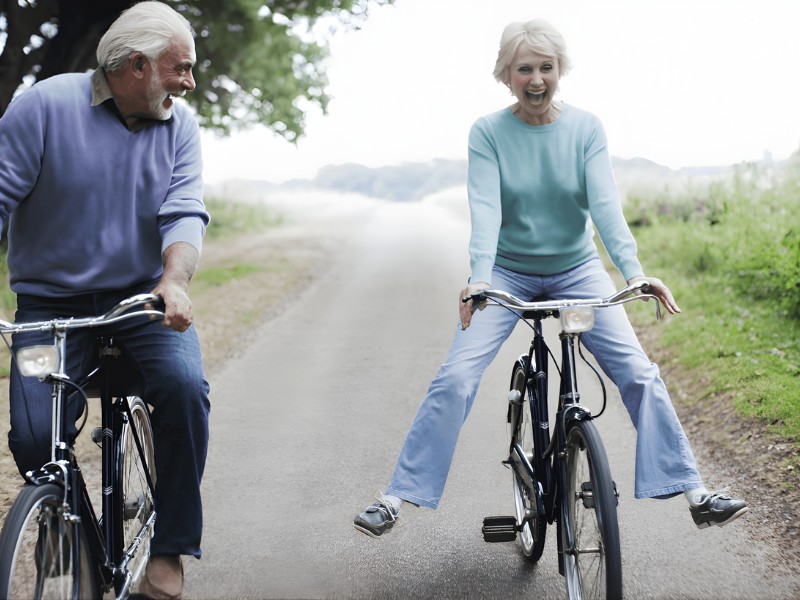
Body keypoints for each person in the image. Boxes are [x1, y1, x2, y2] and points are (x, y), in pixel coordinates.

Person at [354, 18, 748, 538]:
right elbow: (486, 210)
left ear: (560, 70)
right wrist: (479, 279)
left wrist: (634, 274)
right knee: (456, 378)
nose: (537, 79)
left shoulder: (585, 128)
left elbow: (605, 208)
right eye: (525, 69)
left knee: (638, 372)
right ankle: (396, 497)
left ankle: (695, 493)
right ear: (506, 75)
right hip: (506, 274)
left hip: (577, 270)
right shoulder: (488, 132)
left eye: (546, 67)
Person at [0, 2, 209, 597]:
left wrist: (174, 281)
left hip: (141, 302)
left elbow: (184, 212)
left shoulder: (180, 126)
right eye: (180, 68)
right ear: (138, 65)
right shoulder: (43, 107)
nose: (189, 83)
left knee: (183, 389)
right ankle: (62, 526)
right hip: (49, 309)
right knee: (36, 438)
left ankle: (168, 550)